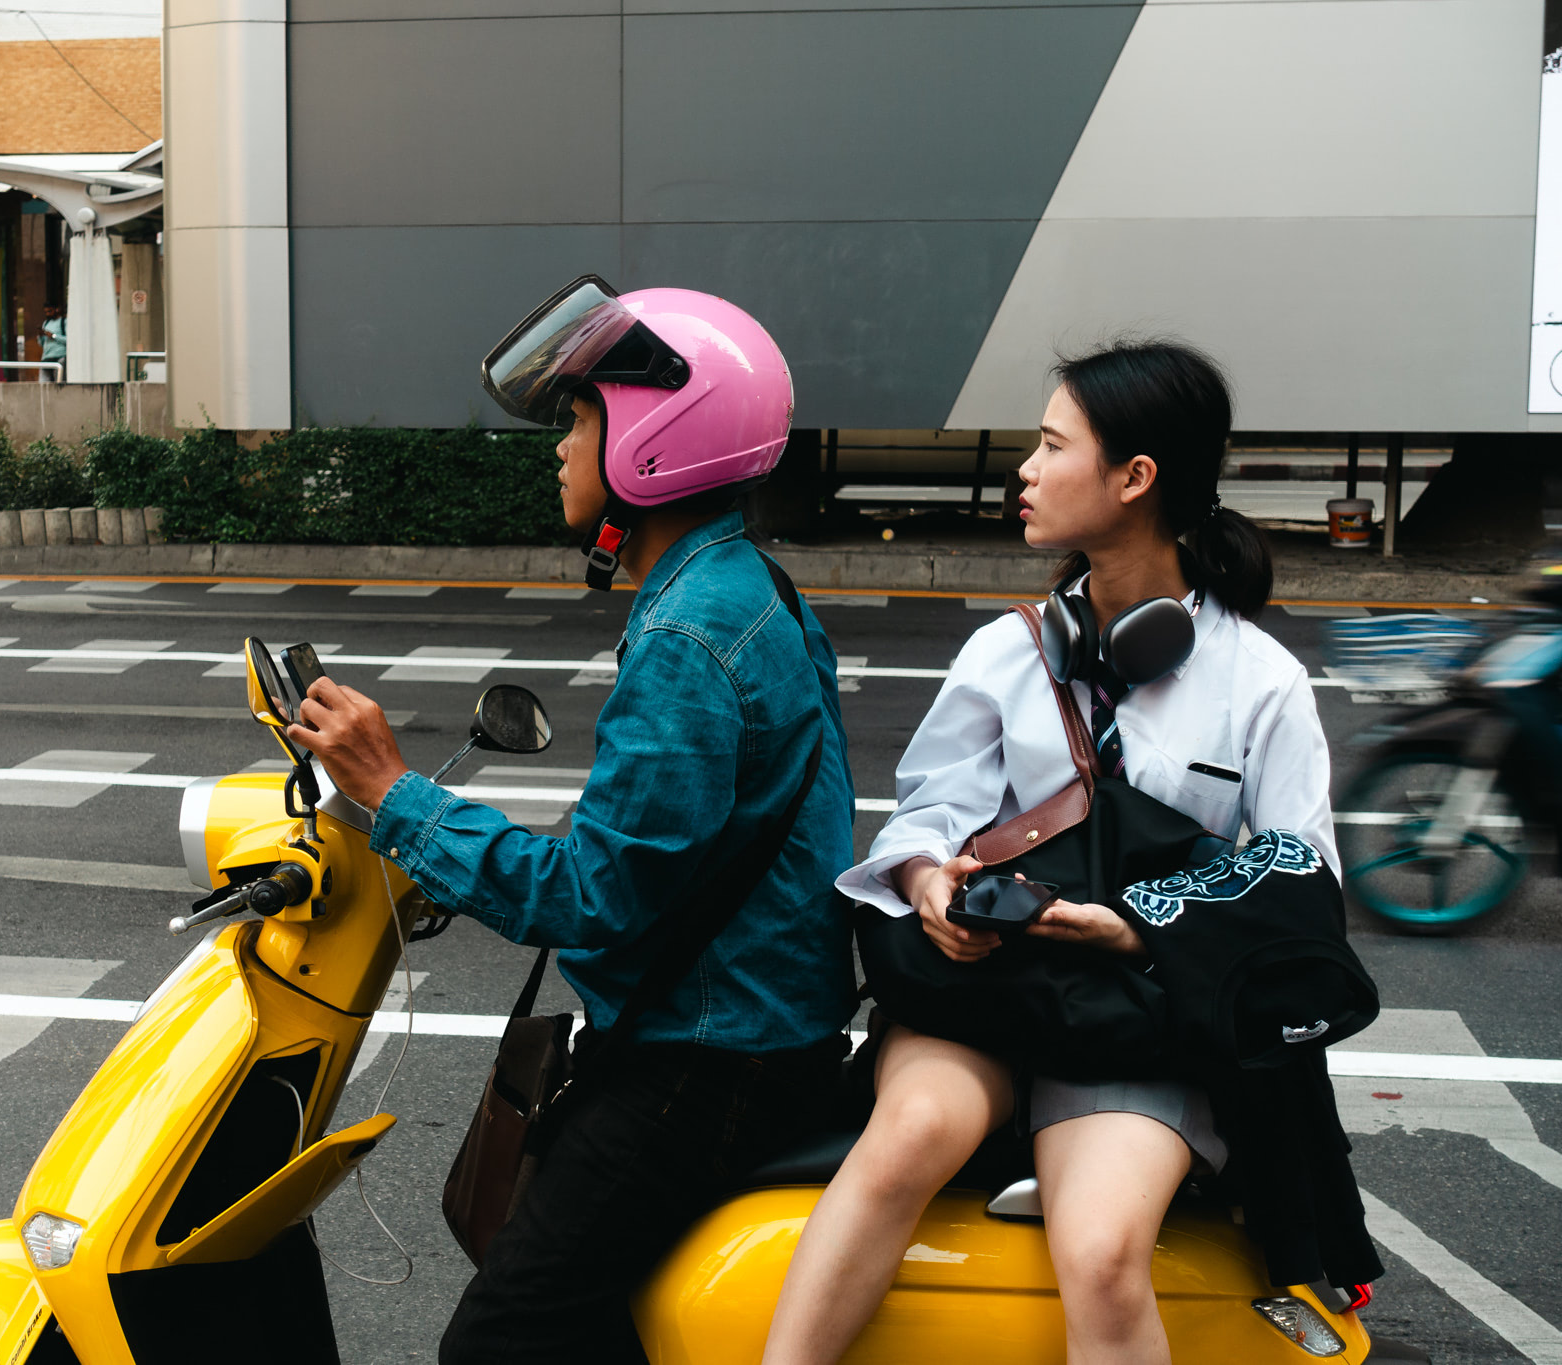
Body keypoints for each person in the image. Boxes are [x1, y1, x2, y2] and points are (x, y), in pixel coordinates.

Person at [285, 278, 858, 1365]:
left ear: (654, 440)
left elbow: (593, 900)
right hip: (755, 1039)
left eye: (580, 418)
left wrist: (392, 794)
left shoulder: (691, 637)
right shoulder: (749, 588)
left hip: (699, 1068)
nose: (560, 447)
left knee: (500, 1349)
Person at [762, 340, 1338, 1365]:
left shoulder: (1259, 680)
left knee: (1104, 1250)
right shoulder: (1005, 649)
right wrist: (927, 881)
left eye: (1047, 445)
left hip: (1143, 1020)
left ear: (1133, 478)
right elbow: (925, 811)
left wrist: (1128, 925)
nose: (1023, 470)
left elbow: (1301, 876)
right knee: (902, 1145)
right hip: (990, 994)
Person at [38, 303, 65, 380]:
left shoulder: (63, 322)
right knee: (43, 384)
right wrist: (40, 336)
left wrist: (53, 336)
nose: (48, 314)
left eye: (50, 311)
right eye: (46, 312)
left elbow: (69, 340)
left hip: (59, 357)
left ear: (57, 309)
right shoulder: (46, 323)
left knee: (59, 383)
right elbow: (41, 344)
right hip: (46, 357)